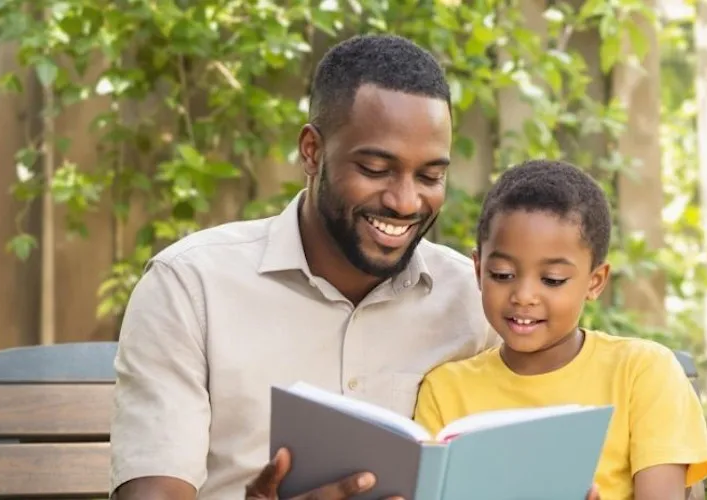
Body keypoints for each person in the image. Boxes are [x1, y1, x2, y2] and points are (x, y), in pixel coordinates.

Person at [108, 34, 498, 499]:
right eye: (375, 169)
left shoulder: (477, 302)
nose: (406, 201)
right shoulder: (190, 288)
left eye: (431, 176)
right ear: (312, 151)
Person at [412, 160, 707, 500]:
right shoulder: (444, 390)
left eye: (552, 280)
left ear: (595, 281)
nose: (524, 296)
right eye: (501, 274)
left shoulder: (643, 372)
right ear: (478, 268)